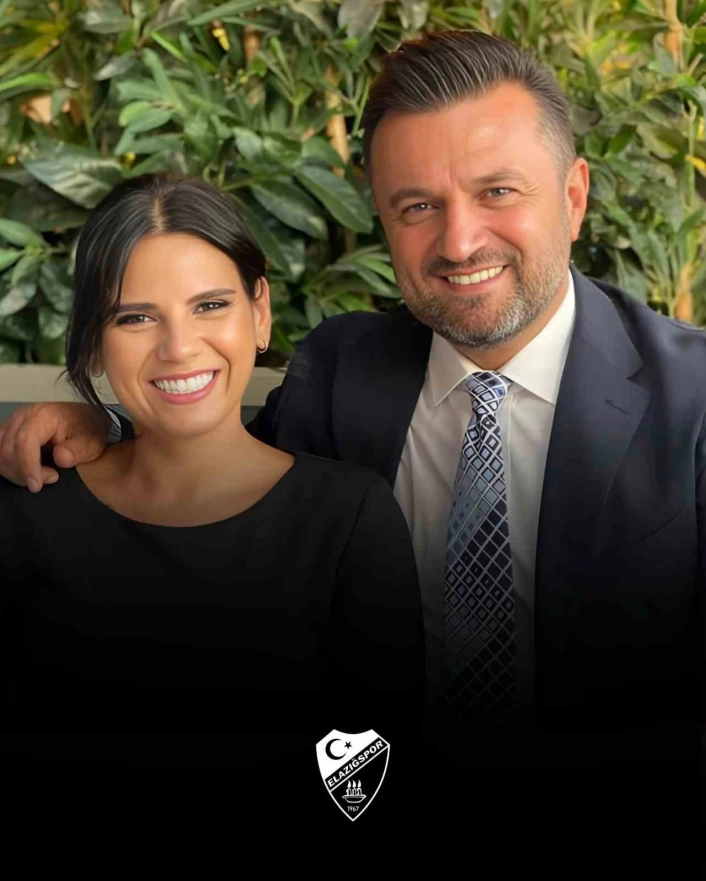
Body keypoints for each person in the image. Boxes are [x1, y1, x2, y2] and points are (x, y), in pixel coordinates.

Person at [1, 31, 703, 849]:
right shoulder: (343, 372)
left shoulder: (692, 399)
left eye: (498, 191)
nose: (460, 241)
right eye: (418, 206)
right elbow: (217, 480)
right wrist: (102, 425)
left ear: (574, 196)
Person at [0, 173, 425, 833]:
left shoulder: (348, 519)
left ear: (259, 312)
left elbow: (375, 768)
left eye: (210, 305)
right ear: (92, 340)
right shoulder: (26, 509)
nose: (179, 347)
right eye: (135, 317)